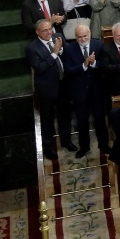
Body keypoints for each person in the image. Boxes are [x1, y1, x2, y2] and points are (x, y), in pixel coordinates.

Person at [28, 19, 73, 159]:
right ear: (37, 32)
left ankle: (66, 141)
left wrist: (62, 49)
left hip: (63, 84)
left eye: (50, 29)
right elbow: (40, 68)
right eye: (45, 30)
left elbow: (66, 53)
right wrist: (54, 53)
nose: (49, 33)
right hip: (47, 88)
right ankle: (49, 148)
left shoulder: (57, 37)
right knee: (47, 120)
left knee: (65, 116)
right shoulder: (32, 48)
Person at [62, 21, 108, 158]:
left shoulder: (99, 45)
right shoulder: (69, 49)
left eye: (85, 36)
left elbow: (105, 66)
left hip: (97, 90)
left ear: (90, 34)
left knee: (100, 119)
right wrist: (84, 64)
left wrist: (94, 64)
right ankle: (84, 147)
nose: (83, 39)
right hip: (79, 92)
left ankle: (104, 144)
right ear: (76, 37)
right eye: (79, 37)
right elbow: (68, 70)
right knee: (82, 121)